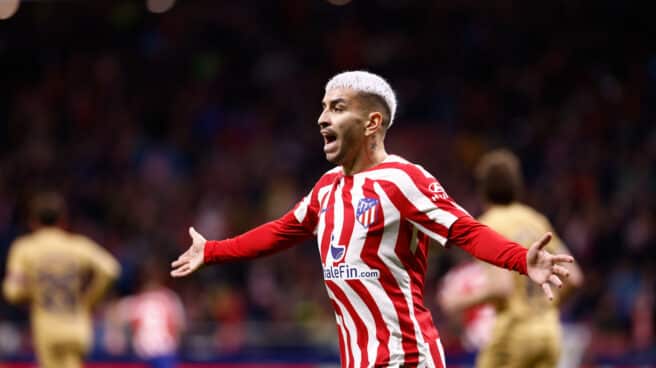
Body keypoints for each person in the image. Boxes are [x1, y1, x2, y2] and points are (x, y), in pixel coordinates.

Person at [171, 71, 576, 367]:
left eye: (337, 108)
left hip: (406, 357)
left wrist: (522, 259)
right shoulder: (326, 188)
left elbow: (464, 230)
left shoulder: (404, 179)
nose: (322, 118)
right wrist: (213, 250)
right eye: (323, 108)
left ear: (372, 123)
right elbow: (279, 231)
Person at [438, 149, 583, 368]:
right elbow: (575, 278)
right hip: (549, 333)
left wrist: (458, 301)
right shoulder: (536, 220)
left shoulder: (489, 224)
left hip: (513, 335)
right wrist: (545, 309)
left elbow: (501, 288)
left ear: (482, 190)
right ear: (518, 186)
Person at [2, 192, 121, 368]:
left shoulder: (25, 248)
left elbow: (12, 291)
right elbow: (110, 269)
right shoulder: (77, 245)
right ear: (63, 221)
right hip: (78, 325)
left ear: (32, 222)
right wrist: (89, 301)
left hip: (47, 325)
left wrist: (31, 292)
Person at [110, 258, 186, 368]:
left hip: (165, 354)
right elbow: (114, 313)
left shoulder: (170, 299)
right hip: (143, 357)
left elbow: (179, 326)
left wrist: (174, 345)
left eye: (154, 277)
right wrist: (116, 337)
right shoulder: (137, 301)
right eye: (148, 277)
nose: (151, 281)